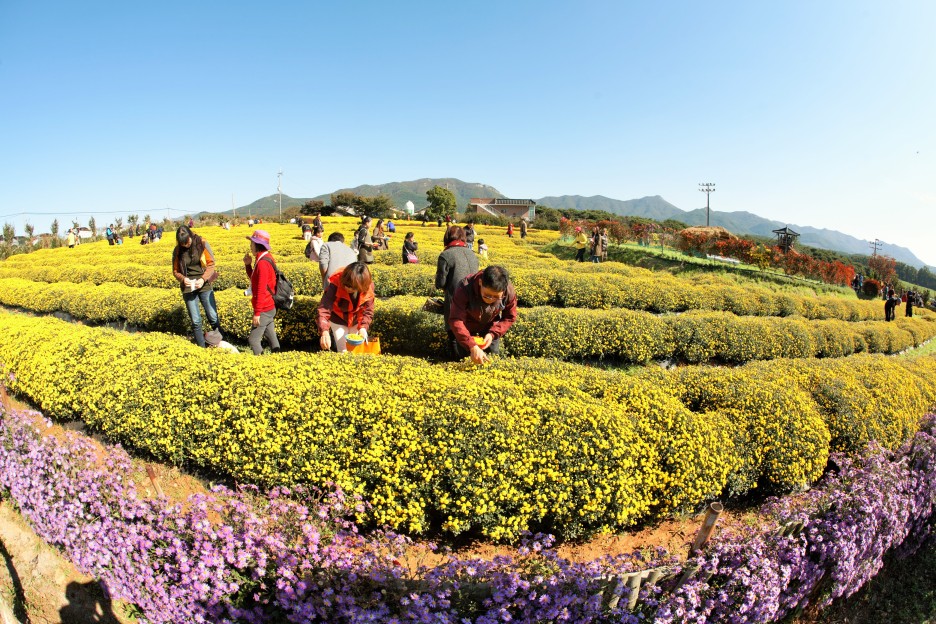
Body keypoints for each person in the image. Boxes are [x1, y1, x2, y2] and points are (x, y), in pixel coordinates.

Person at [448, 265, 518, 364]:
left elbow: (510, 316)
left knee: (492, 358)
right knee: (465, 359)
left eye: (496, 297)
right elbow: (456, 319)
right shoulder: (464, 288)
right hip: (466, 328)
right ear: (480, 282)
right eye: (487, 295)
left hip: (490, 327)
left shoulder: (508, 291)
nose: (491, 300)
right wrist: (471, 345)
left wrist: (492, 333)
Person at [172, 225, 220, 348]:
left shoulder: (202, 243)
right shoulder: (177, 250)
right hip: (189, 286)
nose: (186, 245)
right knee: (196, 320)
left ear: (191, 236)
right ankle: (202, 348)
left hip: (203, 282)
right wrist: (183, 279)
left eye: (187, 242)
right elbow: (175, 271)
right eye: (183, 244)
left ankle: (221, 340)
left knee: (212, 316)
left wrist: (203, 279)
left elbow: (211, 264)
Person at [436, 226, 479, 357]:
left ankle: (457, 364)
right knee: (468, 331)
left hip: (455, 299)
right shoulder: (472, 254)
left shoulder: (446, 255)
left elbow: (440, 283)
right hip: (474, 300)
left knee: (454, 332)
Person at [317, 262, 375, 353]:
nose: (347, 288)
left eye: (352, 287)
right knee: (343, 349)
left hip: (356, 318)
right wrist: (324, 331)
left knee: (355, 348)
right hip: (338, 318)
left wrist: (363, 327)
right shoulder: (335, 283)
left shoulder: (368, 287)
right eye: (345, 285)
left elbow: (368, 311)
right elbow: (324, 308)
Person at [243, 230, 280, 355]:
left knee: (253, 340)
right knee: (272, 337)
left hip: (264, 308)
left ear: (257, 245)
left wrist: (257, 313)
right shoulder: (264, 258)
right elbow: (256, 281)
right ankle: (278, 358)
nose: (250, 246)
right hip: (269, 307)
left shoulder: (263, 263)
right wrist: (248, 265)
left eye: (252, 243)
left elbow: (261, 289)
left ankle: (262, 367)